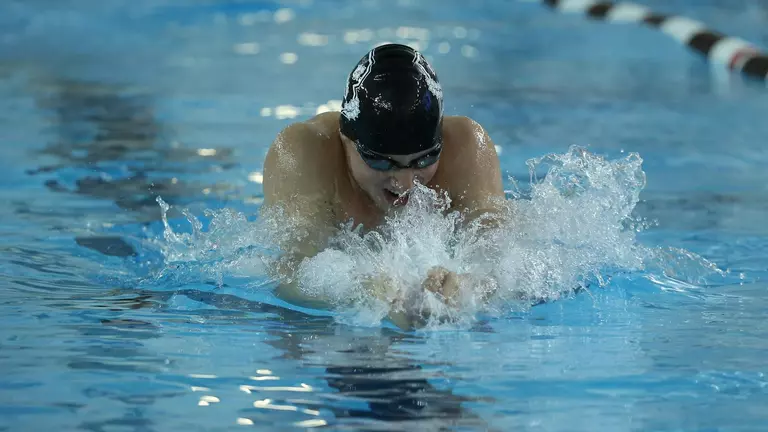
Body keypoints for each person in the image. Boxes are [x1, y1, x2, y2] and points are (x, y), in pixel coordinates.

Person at [262, 43, 506, 329]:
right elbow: (293, 271)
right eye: (381, 163)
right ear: (346, 138)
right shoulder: (305, 153)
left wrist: (470, 287)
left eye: (424, 159)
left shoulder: (466, 148)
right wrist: (360, 290)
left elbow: (507, 259)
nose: (405, 183)